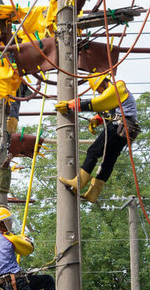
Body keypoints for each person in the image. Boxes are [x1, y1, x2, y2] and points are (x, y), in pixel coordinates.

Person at [54, 73, 140, 203]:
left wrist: (70, 105)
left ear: (102, 83)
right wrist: (97, 120)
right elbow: (108, 110)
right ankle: (93, 193)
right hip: (126, 131)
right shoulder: (116, 93)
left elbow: (98, 103)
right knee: (108, 160)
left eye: (98, 89)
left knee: (93, 151)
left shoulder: (117, 88)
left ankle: (78, 183)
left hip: (118, 127)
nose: (99, 93)